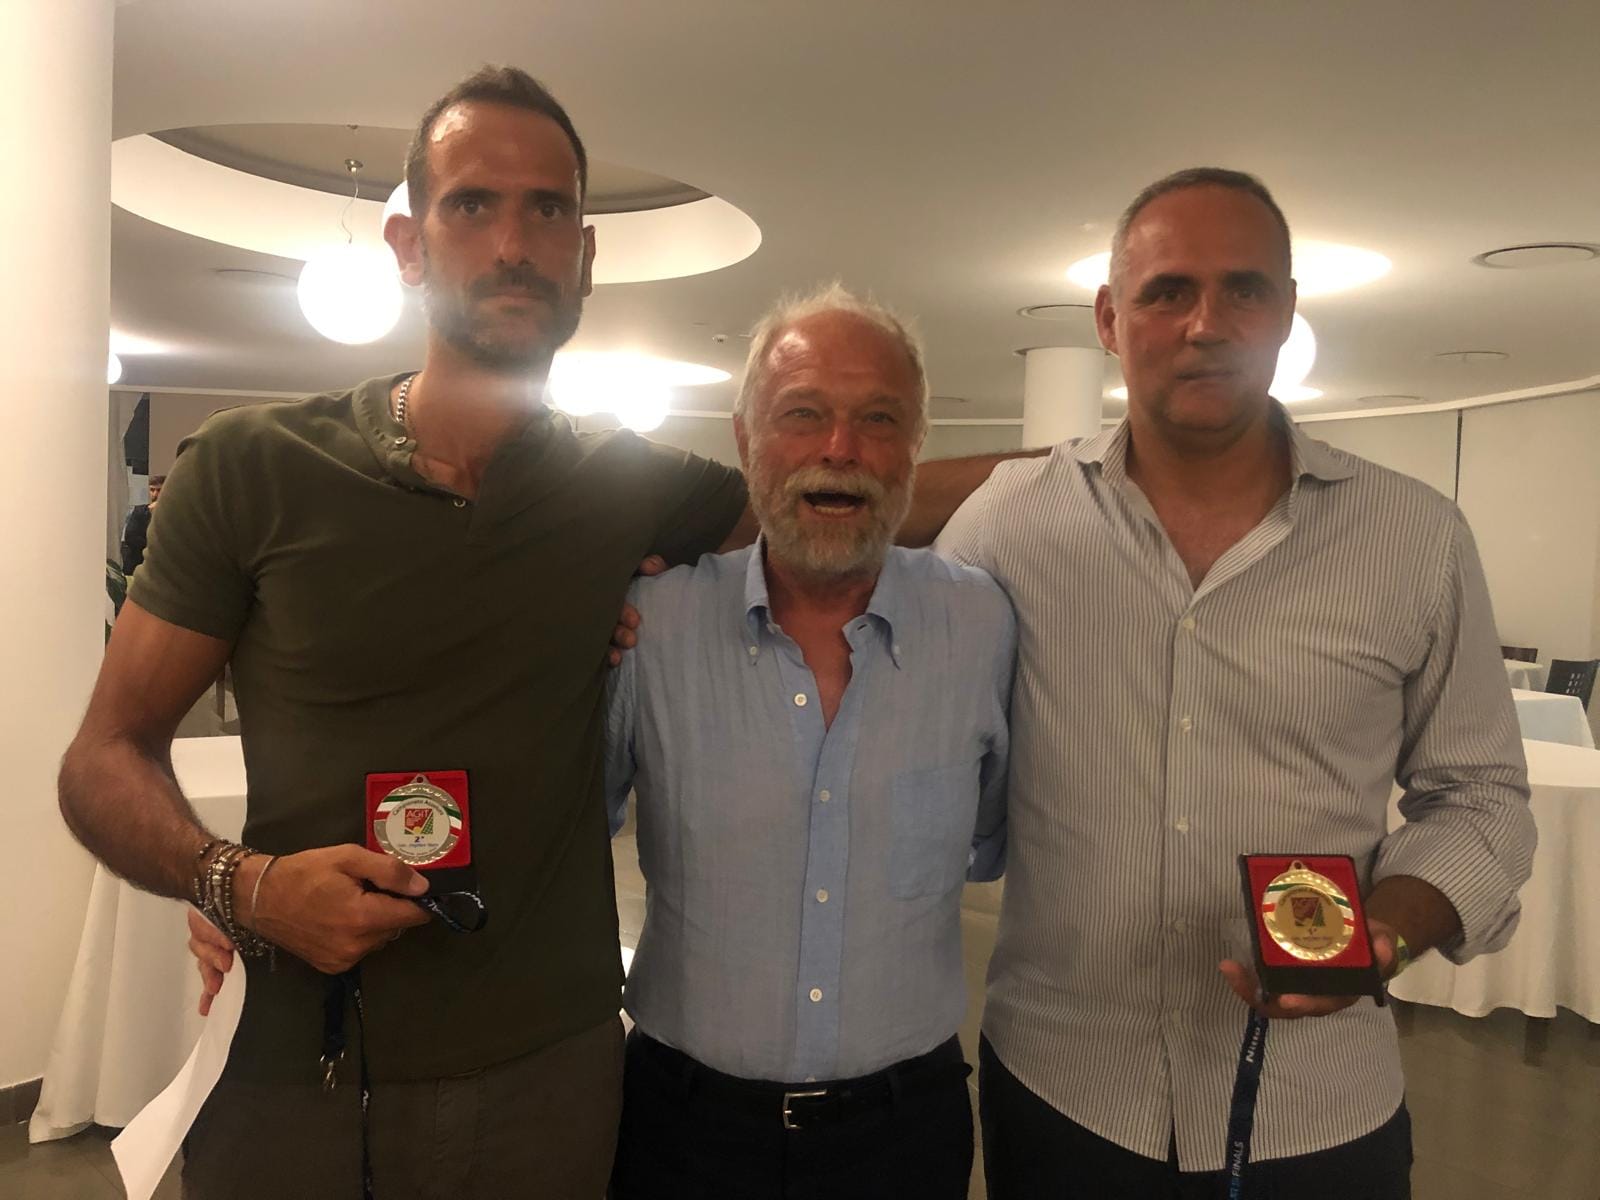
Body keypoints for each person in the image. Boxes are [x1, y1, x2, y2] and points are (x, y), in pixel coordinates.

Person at [63, 67, 1012, 1199]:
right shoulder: (254, 467)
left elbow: (834, 492)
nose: (514, 243)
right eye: (473, 204)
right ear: (408, 244)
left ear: (586, 256)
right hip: (300, 1064)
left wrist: (1121, 466)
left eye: (548, 209)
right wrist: (237, 886)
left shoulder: (626, 489)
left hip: (552, 1082)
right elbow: (102, 757)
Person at [936, 167, 1535, 1198]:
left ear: (1287, 312)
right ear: (1109, 320)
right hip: (1064, 1089)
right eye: (1168, 290)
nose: (1207, 324)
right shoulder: (1006, 525)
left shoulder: (1414, 537)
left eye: (1244, 289)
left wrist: (1383, 934)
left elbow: (1481, 797)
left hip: (1319, 1106)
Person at [605, 286, 1015, 1199]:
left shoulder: (981, 625)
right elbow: (570, 829)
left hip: (905, 1136)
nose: (841, 448)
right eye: (802, 414)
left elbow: (990, 833)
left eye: (879, 419)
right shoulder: (652, 624)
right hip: (682, 1134)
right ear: (744, 439)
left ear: (915, 445)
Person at [119, 473, 163, 576]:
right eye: (152, 490)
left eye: (159, 490)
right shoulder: (140, 511)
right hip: (138, 563)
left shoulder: (172, 514)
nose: (155, 494)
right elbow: (131, 537)